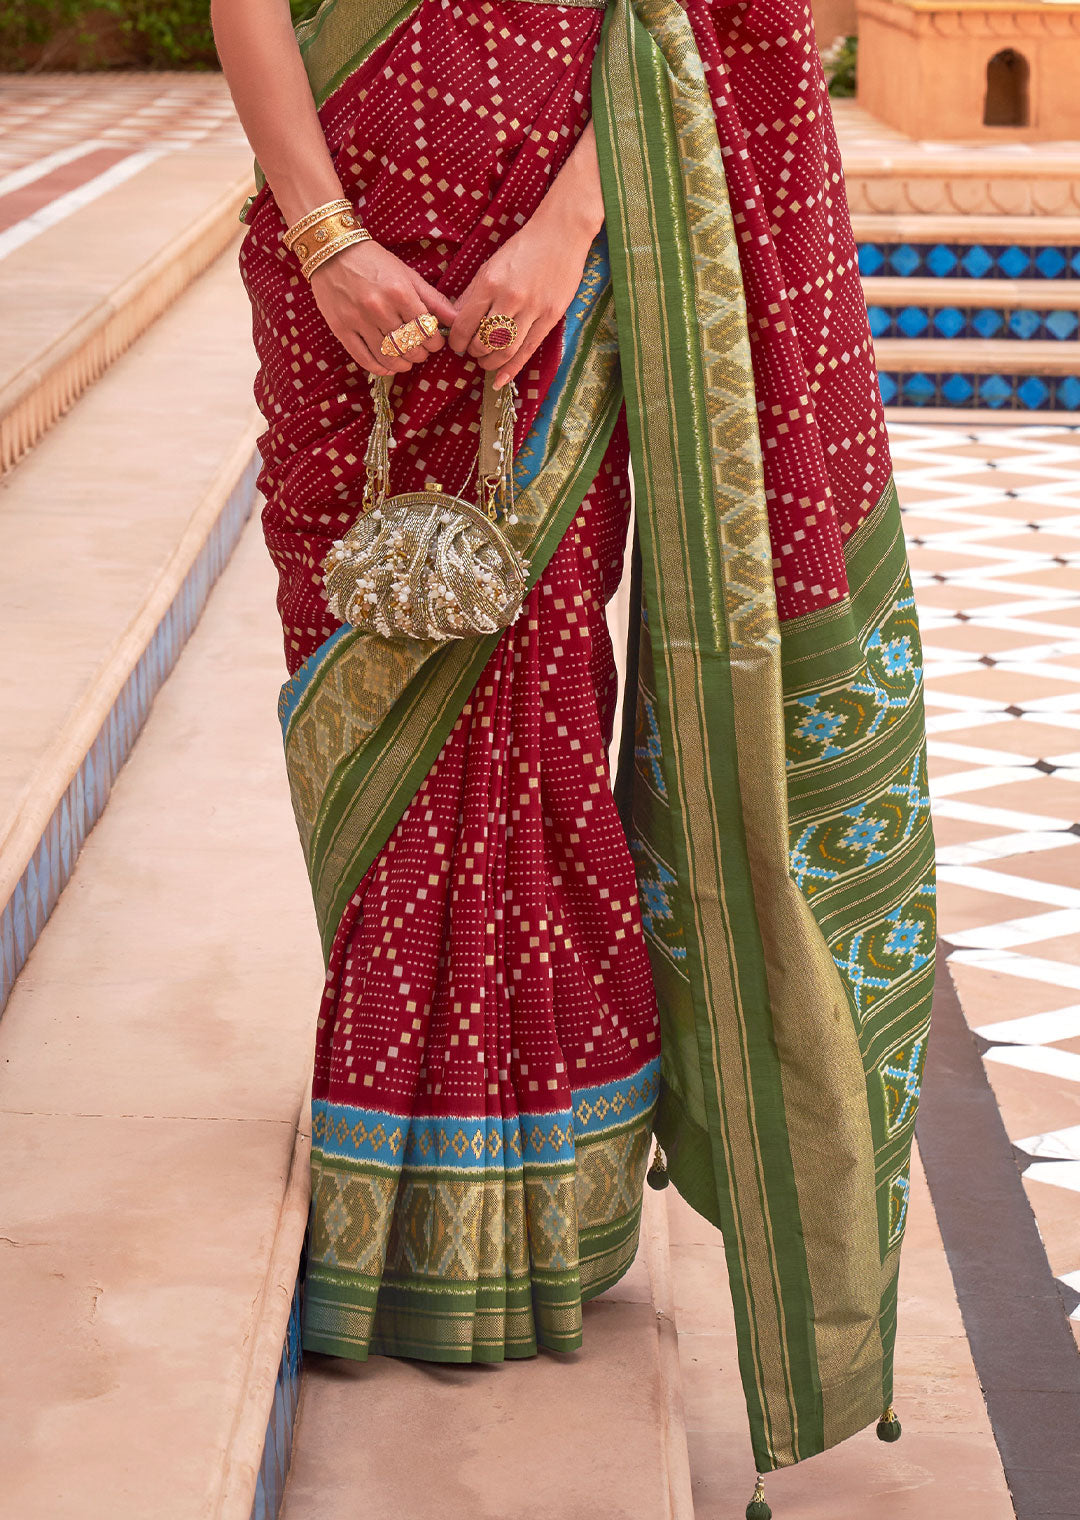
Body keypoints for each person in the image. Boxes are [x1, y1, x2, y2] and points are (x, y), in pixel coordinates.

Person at [212, 0, 936, 1509]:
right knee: (366, 673)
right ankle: (402, 1165)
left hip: (551, 263)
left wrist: (564, 233)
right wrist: (327, 236)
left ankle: (531, 1208)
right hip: (336, 258)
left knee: (529, 698)